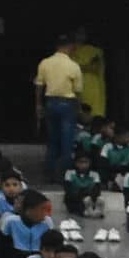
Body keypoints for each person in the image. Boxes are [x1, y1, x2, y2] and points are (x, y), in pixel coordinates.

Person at [33, 35, 84, 176]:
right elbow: (78, 91)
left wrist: (38, 105)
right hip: (68, 104)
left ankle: (49, 173)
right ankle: (64, 174)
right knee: (67, 141)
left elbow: (39, 86)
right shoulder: (73, 65)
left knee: (52, 140)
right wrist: (79, 108)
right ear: (70, 46)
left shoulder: (45, 63)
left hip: (50, 102)